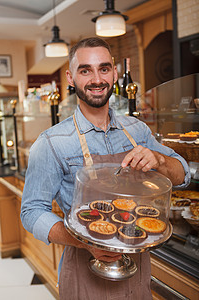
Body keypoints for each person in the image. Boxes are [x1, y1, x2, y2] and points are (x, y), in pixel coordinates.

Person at [21, 37, 191, 300]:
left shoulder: (138, 130)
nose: (96, 79)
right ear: (70, 78)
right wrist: (86, 242)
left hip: (138, 267)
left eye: (103, 68)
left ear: (114, 72)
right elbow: (32, 212)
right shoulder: (51, 143)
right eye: (85, 70)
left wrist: (158, 159)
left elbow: (182, 174)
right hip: (84, 271)